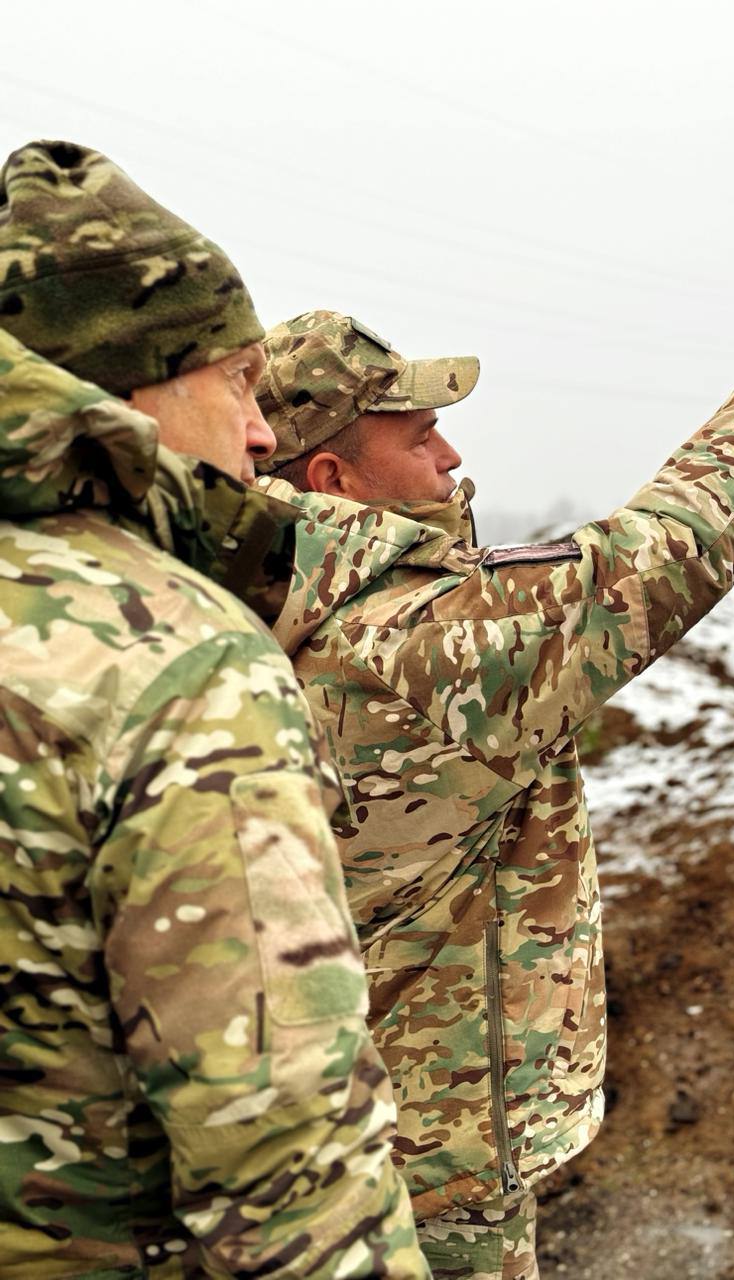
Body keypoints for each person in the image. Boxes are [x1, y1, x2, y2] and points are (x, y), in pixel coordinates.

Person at [252, 281, 734, 1280]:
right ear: (335, 475)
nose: (453, 456)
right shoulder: (416, 644)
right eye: (419, 435)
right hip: (427, 1163)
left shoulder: (256, 606)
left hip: (320, 1131)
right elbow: (666, 549)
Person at [0, 142, 429, 1278]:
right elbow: (290, 1171)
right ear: (127, 383)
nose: (261, 433)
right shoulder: (166, 660)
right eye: (238, 381)